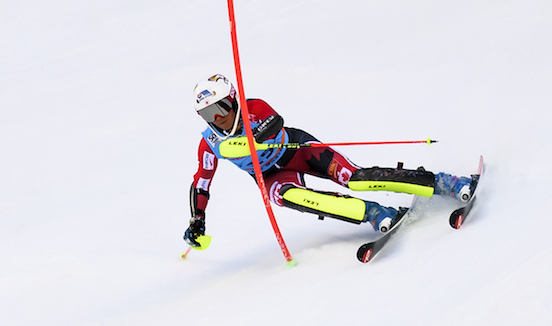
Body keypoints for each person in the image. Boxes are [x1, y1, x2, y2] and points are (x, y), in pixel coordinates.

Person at [184, 74, 474, 250]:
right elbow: (202, 182)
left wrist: (254, 138)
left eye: (220, 108)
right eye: (208, 114)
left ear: (233, 100)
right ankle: (374, 213)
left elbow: (275, 122)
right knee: (289, 197)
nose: (218, 118)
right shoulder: (210, 143)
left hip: (299, 150)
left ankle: (446, 182)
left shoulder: (252, 109)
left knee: (356, 178)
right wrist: (198, 219)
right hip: (272, 175)